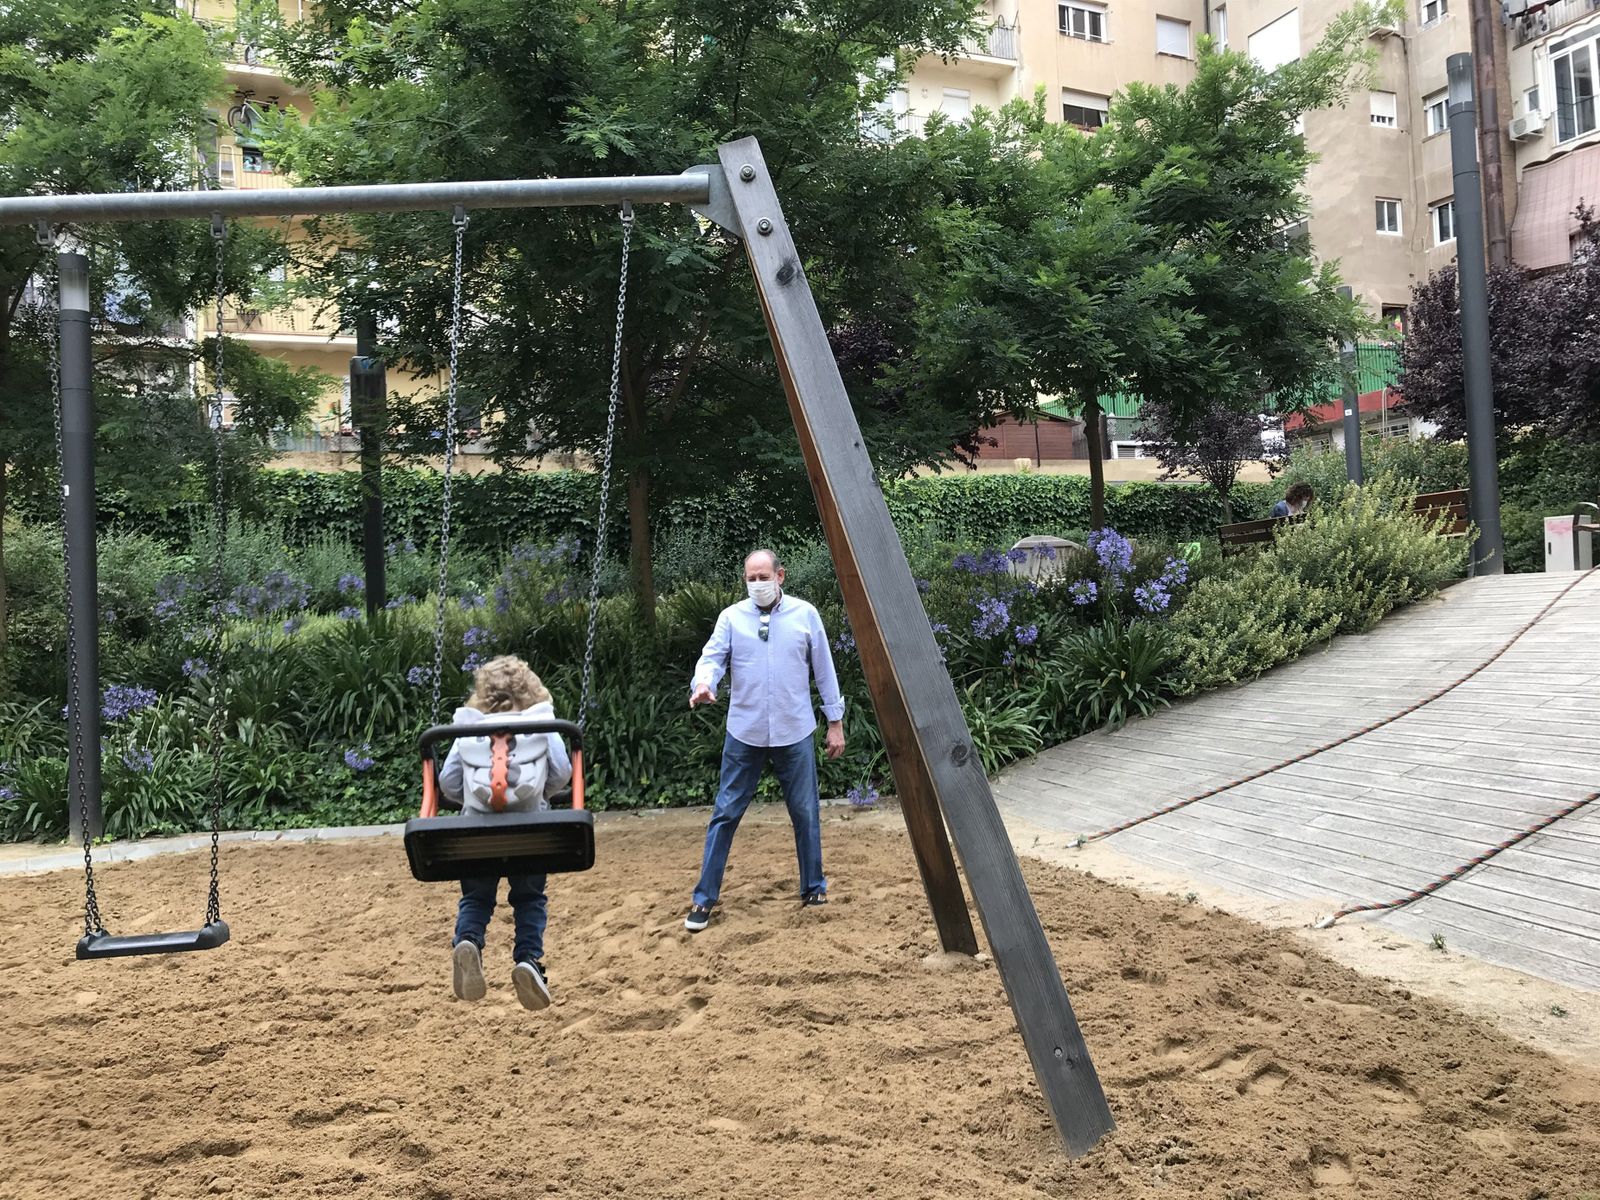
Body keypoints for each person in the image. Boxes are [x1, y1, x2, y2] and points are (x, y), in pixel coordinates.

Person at [684, 549, 846, 932]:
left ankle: (814, 888)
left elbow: (824, 669)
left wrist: (834, 721)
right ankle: (703, 899)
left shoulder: (805, 615)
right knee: (725, 814)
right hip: (746, 732)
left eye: (763, 576)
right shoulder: (731, 618)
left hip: (795, 730)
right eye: (750, 578)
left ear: (780, 576)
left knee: (805, 813)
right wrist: (704, 684)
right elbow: (712, 658)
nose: (757, 583)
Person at [439, 654, 573, 1011]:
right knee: (529, 900)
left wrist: (470, 797)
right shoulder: (542, 723)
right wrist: (539, 792)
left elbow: (447, 782)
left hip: (476, 836)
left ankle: (468, 941)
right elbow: (561, 773)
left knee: (476, 898)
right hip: (531, 835)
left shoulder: (468, 728)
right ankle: (528, 960)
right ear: (531, 690)